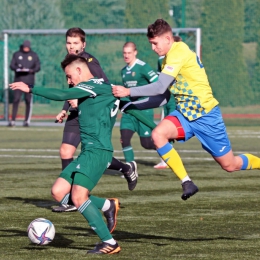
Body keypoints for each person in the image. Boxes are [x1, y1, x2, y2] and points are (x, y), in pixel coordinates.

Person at [112, 18, 260, 201]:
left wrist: (129, 91)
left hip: (206, 116)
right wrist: (133, 104)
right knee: (158, 135)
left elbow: (159, 88)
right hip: (184, 115)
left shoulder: (178, 51)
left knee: (230, 165)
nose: (153, 48)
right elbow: (163, 97)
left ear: (167, 38)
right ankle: (187, 182)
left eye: (154, 43)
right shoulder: (167, 60)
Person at [10, 55, 122, 254]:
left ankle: (110, 242)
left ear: (79, 70)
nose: (69, 81)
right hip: (88, 151)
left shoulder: (95, 85)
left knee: (79, 196)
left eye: (69, 76)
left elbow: (62, 93)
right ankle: (107, 205)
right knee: (59, 192)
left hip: (98, 152)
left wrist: (31, 89)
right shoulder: (96, 88)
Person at [53, 28, 137, 213]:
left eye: (75, 43)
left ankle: (125, 168)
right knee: (65, 151)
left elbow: (104, 86)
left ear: (83, 44)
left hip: (92, 113)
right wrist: (64, 110)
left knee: (96, 153)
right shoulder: (70, 63)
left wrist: (84, 101)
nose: (71, 46)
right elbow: (72, 90)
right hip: (77, 112)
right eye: (69, 42)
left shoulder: (89, 62)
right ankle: (69, 199)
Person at [120, 42, 158, 165]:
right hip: (130, 111)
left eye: (129, 53)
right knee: (124, 139)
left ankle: (165, 148)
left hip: (144, 110)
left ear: (135, 52)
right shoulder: (124, 71)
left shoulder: (143, 67)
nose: (126, 55)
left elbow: (158, 84)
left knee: (146, 144)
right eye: (124, 53)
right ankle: (130, 168)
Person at [9, 40, 41, 127]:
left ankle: (26, 121)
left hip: (29, 82)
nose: (26, 48)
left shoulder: (33, 55)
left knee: (28, 100)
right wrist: (17, 68)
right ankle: (12, 121)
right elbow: (12, 65)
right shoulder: (17, 54)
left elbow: (38, 67)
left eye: (27, 47)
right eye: (24, 47)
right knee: (16, 100)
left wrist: (31, 70)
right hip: (18, 80)